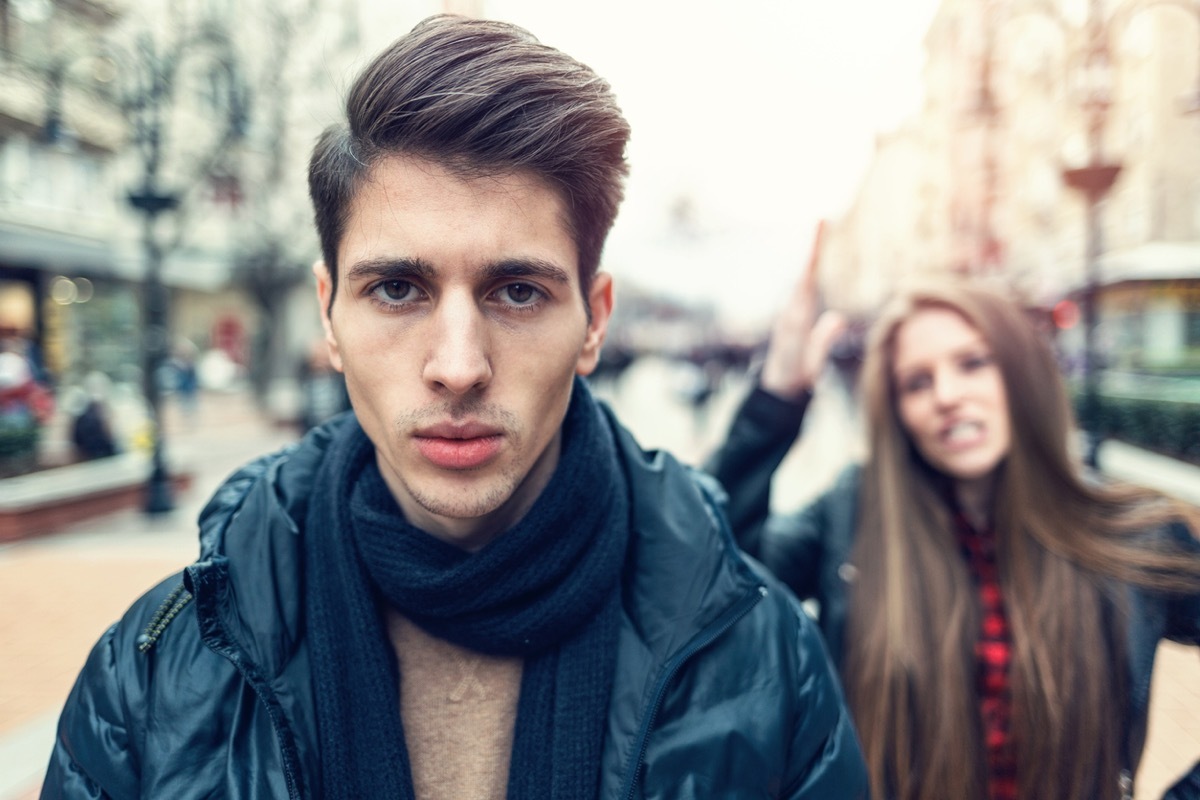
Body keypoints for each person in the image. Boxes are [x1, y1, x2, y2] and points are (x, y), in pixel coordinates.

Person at [41, 15, 868, 799]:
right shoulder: (157, 674)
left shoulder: (762, 659)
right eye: (398, 289)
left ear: (595, 322)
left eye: (518, 291)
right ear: (329, 314)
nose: (459, 367)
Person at [705, 267, 1200, 800]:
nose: (946, 395)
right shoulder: (854, 512)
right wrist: (776, 402)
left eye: (972, 363)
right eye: (916, 382)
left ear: (1021, 372)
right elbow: (716, 578)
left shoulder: (1132, 531)